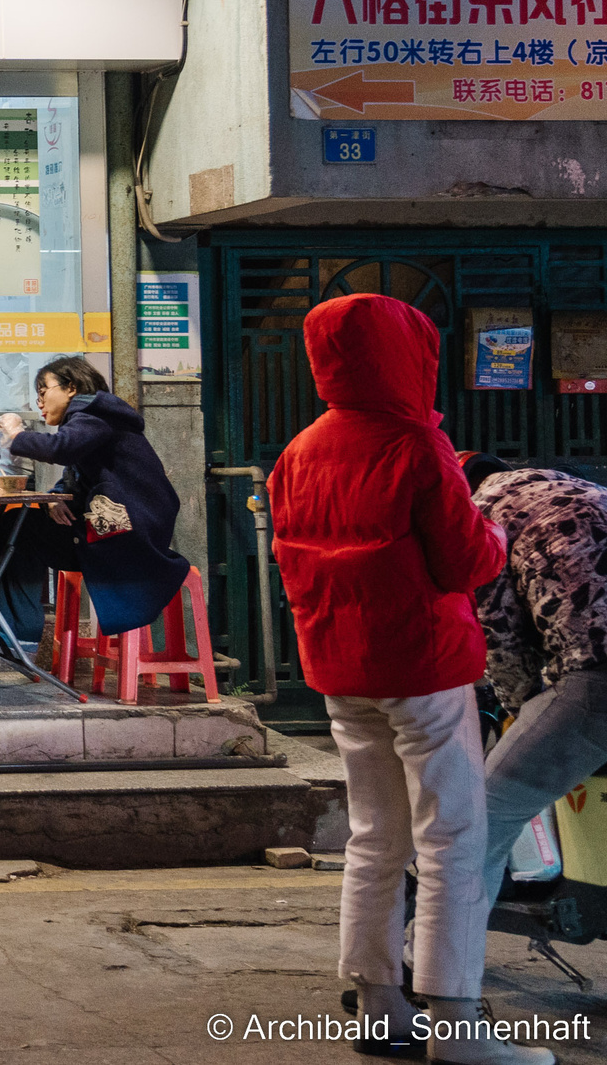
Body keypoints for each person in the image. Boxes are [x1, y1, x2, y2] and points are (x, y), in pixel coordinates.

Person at [266, 293, 541, 1065]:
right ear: (405, 354)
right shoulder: (417, 446)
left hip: (338, 666)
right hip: (422, 663)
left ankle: (381, 1007)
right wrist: (489, 527)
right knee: (453, 838)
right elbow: (470, 561)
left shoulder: (298, 452)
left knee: (373, 835)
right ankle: (456, 1022)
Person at [461, 453, 607, 946]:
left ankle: (434, 967)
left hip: (598, 676)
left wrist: (520, 705)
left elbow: (499, 632)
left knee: (481, 819)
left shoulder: (481, 515)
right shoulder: (577, 489)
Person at [0, 356, 191, 645]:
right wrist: (52, 499)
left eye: (43, 391)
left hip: (129, 539)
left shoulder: (96, 414)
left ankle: (13, 632)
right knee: (17, 523)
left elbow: (62, 449)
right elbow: (75, 477)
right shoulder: (89, 419)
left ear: (70, 387)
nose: (39, 402)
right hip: (110, 529)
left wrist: (16, 434)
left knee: (18, 526)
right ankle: (6, 629)